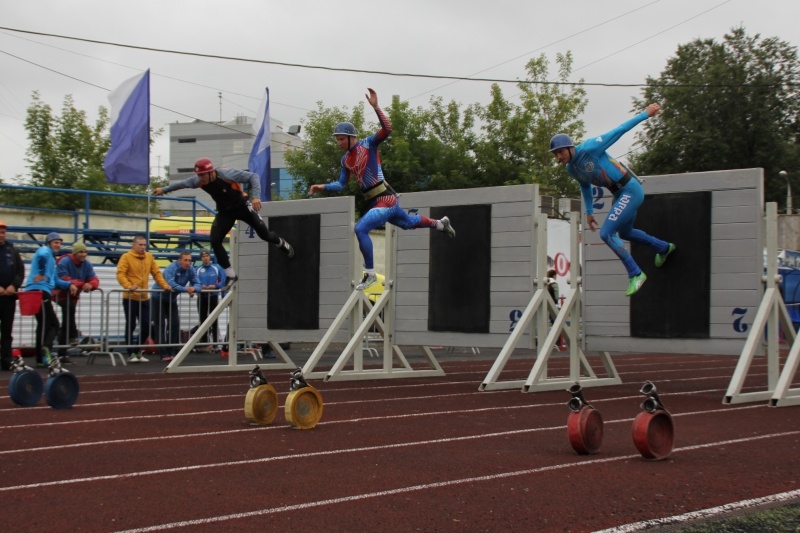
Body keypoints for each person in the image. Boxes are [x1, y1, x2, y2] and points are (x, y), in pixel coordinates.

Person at [309, 88, 456, 291]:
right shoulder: (345, 160)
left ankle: (369, 274)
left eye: (342, 138)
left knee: (360, 228)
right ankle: (440, 224)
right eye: (337, 139)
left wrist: (376, 107)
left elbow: (387, 129)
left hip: (385, 199)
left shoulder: (368, 144)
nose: (339, 142)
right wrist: (322, 186)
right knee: (407, 223)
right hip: (380, 202)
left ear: (352, 137)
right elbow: (341, 184)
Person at [549, 103, 676, 297]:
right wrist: (589, 213)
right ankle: (664, 247)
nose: (558, 157)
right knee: (625, 232)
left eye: (560, 152)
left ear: (569, 147)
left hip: (630, 189)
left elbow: (619, 131)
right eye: (556, 154)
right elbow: (585, 186)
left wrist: (646, 114)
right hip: (618, 194)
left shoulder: (591, 147)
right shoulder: (571, 169)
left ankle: (636, 273)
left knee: (606, 233)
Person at [153, 159, 294, 292]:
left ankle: (281, 243)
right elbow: (181, 184)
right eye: (199, 176)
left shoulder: (226, 174)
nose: (201, 179)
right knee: (214, 240)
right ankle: (231, 274)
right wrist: (164, 189)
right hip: (225, 212)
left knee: (265, 235)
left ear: (210, 172)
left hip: (242, 206)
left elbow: (253, 176)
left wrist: (256, 196)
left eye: (203, 175)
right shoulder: (198, 181)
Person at [116, 235, 171, 363]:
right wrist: (128, 286)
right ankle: (131, 354)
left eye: (144, 245)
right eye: (140, 245)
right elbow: (120, 273)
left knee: (146, 325)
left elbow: (156, 273)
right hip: (130, 297)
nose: (142, 247)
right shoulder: (126, 257)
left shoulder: (149, 257)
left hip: (144, 297)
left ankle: (137, 350)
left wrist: (164, 285)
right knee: (131, 325)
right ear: (133, 245)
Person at [25, 232, 73, 367]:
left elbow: (55, 280)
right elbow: (41, 256)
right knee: (54, 324)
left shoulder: (52, 259)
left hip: (38, 291)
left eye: (59, 242)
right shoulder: (45, 251)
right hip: (39, 291)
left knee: (43, 324)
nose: (58, 245)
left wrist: (69, 284)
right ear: (49, 243)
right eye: (55, 242)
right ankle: (46, 348)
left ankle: (40, 358)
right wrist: (41, 272)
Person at [151, 251, 200, 362]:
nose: (188, 263)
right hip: (158, 297)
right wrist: (186, 289)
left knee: (174, 323)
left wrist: (194, 289)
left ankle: (172, 351)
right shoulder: (171, 268)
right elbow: (171, 283)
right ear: (179, 260)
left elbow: (197, 283)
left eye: (189, 260)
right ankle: (163, 354)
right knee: (161, 325)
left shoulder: (191, 269)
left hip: (171, 299)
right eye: (185, 260)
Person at [55, 241, 99, 364]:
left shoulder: (87, 264)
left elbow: (94, 279)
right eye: (81, 252)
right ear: (74, 253)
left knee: (67, 318)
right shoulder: (64, 262)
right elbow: (63, 278)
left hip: (73, 295)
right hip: (59, 293)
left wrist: (90, 284)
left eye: (85, 252)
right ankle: (72, 334)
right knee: (69, 309)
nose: (84, 254)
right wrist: (82, 284)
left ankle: (63, 351)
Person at [0, 220, 25, 371]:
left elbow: (20, 270)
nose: (1, 234)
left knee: (7, 330)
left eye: (3, 231)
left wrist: (13, 285)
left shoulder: (12, 249)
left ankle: (6, 360)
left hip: (8, 297)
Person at [195, 249, 225, 351]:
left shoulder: (216, 268)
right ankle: (203, 344)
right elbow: (193, 282)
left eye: (207, 256)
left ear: (210, 257)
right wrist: (200, 286)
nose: (205, 258)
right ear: (201, 258)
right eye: (203, 256)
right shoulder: (198, 269)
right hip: (202, 297)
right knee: (203, 320)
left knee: (214, 320)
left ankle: (216, 344)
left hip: (213, 297)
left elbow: (223, 281)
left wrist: (215, 286)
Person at [545, 268, 567, 351]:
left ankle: (549, 342)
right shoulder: (554, 283)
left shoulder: (546, 282)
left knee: (547, 324)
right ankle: (556, 343)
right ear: (554, 275)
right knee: (557, 325)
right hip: (553, 306)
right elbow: (556, 296)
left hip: (545, 305)